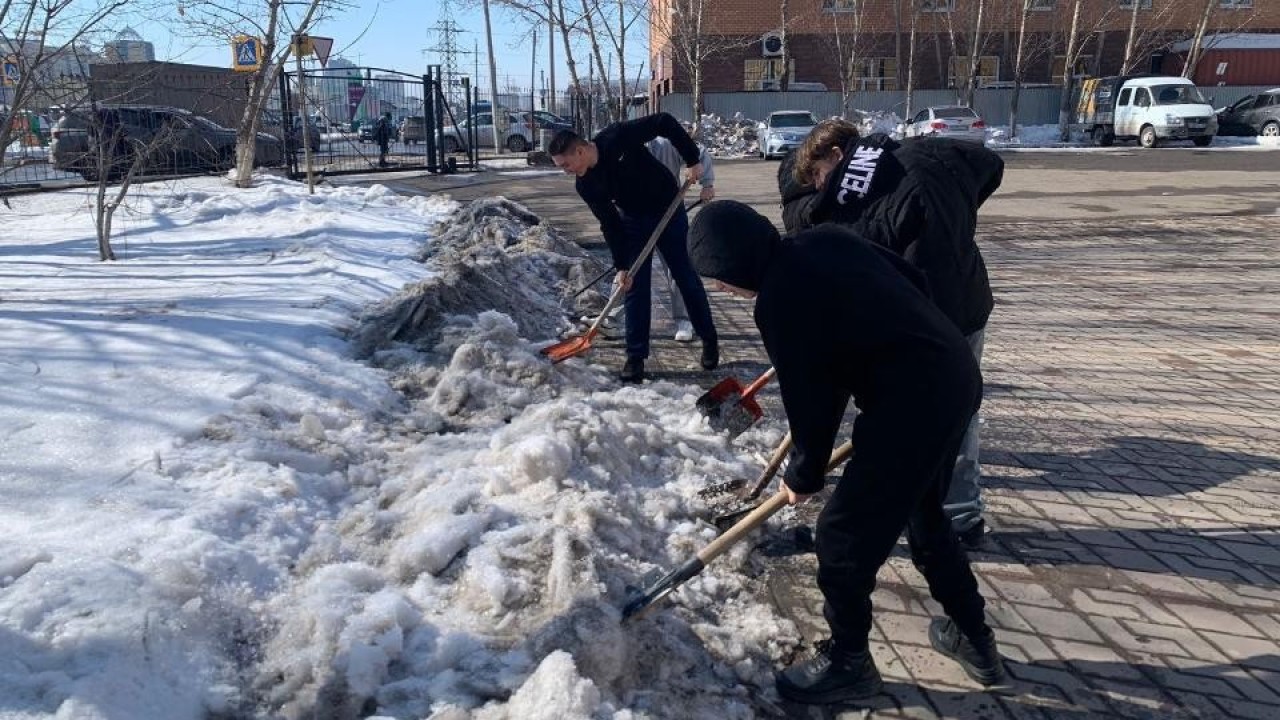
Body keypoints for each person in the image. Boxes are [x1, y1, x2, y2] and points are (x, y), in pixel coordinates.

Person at [687, 200, 1005, 705]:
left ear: (733, 263)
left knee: (840, 538)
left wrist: (805, 472)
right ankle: (976, 641)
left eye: (718, 279)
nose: (722, 289)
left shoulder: (778, 300)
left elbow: (812, 400)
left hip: (911, 406)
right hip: (955, 374)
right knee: (925, 519)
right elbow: (912, 282)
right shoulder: (825, 239)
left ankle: (848, 662)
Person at [792, 120, 1003, 551]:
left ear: (836, 155)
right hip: (967, 299)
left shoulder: (867, 190)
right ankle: (954, 511)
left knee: (938, 415)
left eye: (817, 175)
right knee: (957, 409)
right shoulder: (919, 153)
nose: (820, 188)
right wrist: (960, 221)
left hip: (935, 316)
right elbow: (989, 164)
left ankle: (955, 518)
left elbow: (873, 264)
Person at [549, 114, 719, 383]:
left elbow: (664, 122)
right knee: (634, 284)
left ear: (580, 151)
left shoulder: (617, 137)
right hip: (633, 221)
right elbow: (610, 224)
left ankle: (709, 339)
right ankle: (635, 357)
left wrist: (693, 159)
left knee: (685, 276)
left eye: (566, 164)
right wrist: (622, 265)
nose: (565, 170)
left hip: (668, 208)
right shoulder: (586, 184)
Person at [646, 123, 716, 342]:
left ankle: (684, 320)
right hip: (636, 216)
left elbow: (699, 152)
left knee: (679, 267)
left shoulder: (664, 144)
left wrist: (707, 184)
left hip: (670, 212)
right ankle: (612, 315)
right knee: (629, 267)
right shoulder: (620, 149)